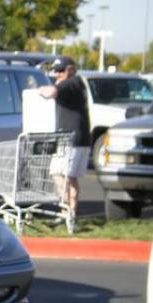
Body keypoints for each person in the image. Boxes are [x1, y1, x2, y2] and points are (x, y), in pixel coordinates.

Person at [39, 56, 91, 229]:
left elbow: (52, 92)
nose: (57, 74)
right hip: (81, 138)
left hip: (70, 139)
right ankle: (71, 214)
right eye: (55, 71)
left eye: (61, 70)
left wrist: (40, 90)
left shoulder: (71, 83)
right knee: (72, 177)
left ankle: (66, 211)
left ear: (70, 69)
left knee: (57, 173)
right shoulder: (78, 83)